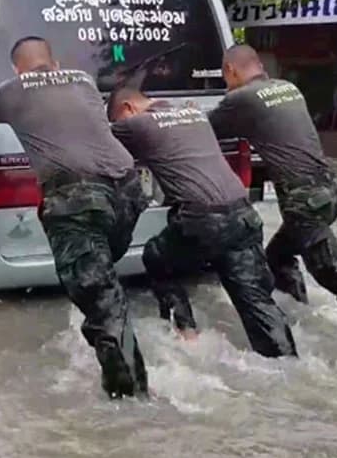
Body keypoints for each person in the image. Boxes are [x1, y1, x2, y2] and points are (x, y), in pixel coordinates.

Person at [0, 37, 149, 399]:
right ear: (55, 64)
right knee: (101, 284)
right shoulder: (83, 80)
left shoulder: (13, 90)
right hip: (130, 191)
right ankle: (110, 325)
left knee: (103, 303)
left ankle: (133, 402)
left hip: (79, 200)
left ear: (17, 69)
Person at [209, 45, 337, 343]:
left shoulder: (241, 98)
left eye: (224, 76)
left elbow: (203, 129)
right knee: (279, 256)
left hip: (304, 204)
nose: (225, 82)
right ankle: (299, 312)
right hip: (329, 194)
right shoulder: (287, 88)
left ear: (231, 70)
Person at [108, 84, 298, 358]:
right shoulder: (195, 116)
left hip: (204, 219)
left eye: (119, 118)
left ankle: (187, 335)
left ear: (128, 108)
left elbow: (93, 136)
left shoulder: (137, 123)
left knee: (156, 257)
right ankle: (287, 361)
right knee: (255, 302)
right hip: (243, 214)